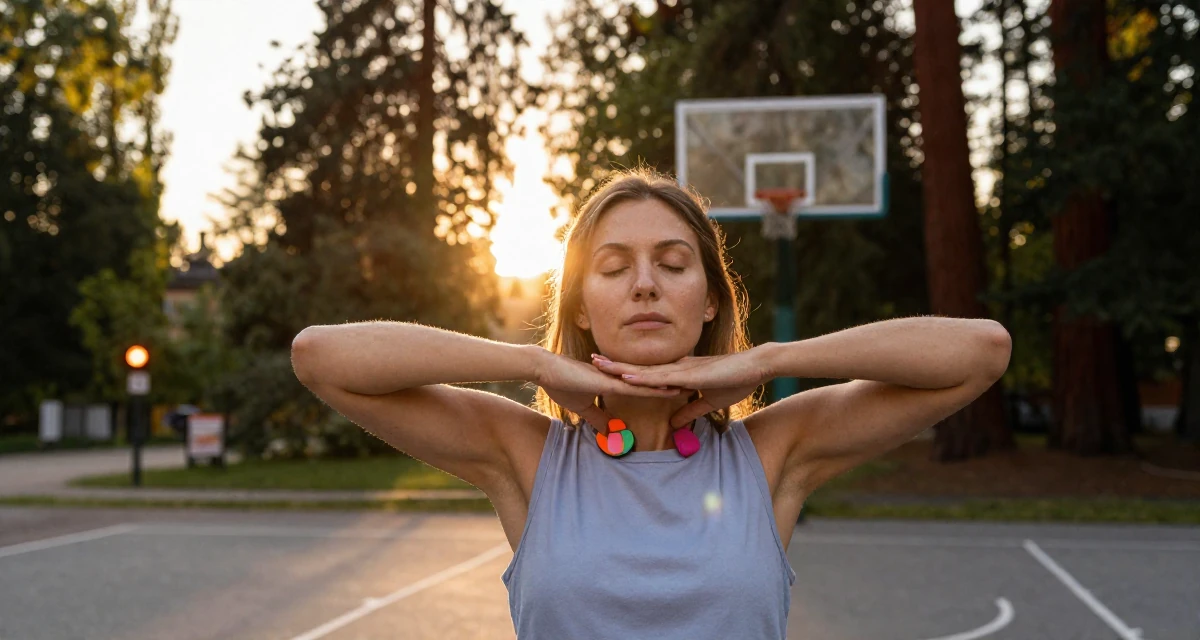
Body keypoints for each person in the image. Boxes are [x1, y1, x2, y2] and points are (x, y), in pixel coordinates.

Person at [290, 169, 1011, 639]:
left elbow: (981, 352)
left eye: (672, 264)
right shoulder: (528, 459)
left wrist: (767, 360)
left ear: (707, 303)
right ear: (579, 307)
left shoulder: (771, 455)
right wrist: (535, 362)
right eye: (612, 267)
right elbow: (322, 357)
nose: (644, 285)